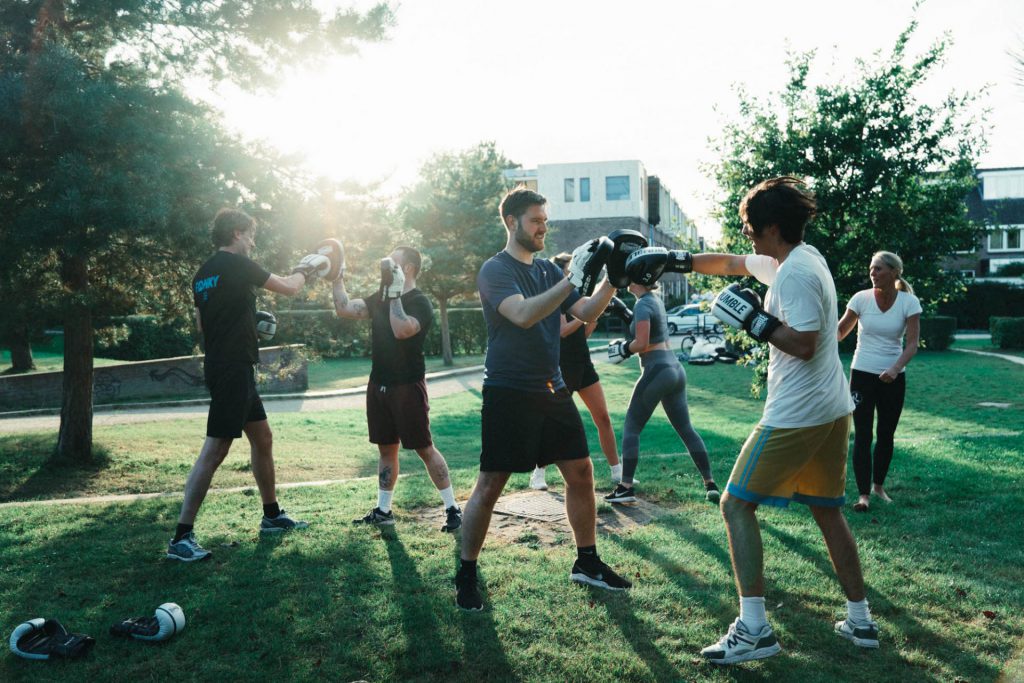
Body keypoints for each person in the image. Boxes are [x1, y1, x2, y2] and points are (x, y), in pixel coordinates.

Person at [672, 177, 878, 663]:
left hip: (798, 413)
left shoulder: (795, 275)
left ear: (771, 228)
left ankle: (755, 630)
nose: (745, 233)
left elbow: (803, 345)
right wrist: (675, 261)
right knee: (827, 510)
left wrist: (754, 322)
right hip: (830, 408)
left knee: (734, 505)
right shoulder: (797, 258)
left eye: (749, 225)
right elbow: (729, 263)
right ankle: (861, 620)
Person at [455, 187, 632, 611]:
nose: (543, 228)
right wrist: (571, 279)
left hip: (552, 388)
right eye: (536, 221)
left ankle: (586, 561)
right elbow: (522, 314)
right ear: (512, 222)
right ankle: (466, 572)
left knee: (581, 472)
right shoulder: (495, 270)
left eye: (545, 221)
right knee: (491, 484)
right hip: (508, 390)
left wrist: (613, 280)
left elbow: (586, 312)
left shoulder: (549, 271)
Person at [168, 208, 324, 562]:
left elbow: (203, 325)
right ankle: (181, 537)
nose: (253, 242)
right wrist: (306, 267)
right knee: (216, 449)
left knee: (263, 438)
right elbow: (289, 287)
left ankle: (271, 516)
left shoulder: (202, 274)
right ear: (237, 233)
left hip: (225, 364)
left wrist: (248, 321)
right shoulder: (237, 264)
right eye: (251, 235)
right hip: (233, 369)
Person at [332, 246, 462, 532]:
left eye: (393, 261)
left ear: (408, 269)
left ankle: (452, 508)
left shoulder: (420, 302)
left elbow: (401, 330)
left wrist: (394, 294)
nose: (386, 264)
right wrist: (336, 277)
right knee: (386, 449)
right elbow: (344, 308)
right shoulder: (380, 296)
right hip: (378, 384)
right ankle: (383, 510)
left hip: (407, 386)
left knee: (424, 448)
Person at [603, 277, 720, 504]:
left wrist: (623, 348)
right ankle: (710, 483)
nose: (626, 278)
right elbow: (648, 330)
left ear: (639, 277)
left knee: (631, 428)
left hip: (657, 370)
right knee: (686, 429)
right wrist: (624, 312)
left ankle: (625, 488)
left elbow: (642, 343)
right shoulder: (653, 299)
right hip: (674, 369)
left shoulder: (642, 304)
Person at [529, 252, 624, 491]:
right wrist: (584, 318)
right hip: (561, 367)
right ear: (560, 272)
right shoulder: (555, 298)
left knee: (603, 417)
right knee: (552, 422)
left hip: (583, 364)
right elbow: (562, 331)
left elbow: (583, 334)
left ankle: (617, 472)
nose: (575, 273)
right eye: (569, 269)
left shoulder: (577, 298)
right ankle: (538, 473)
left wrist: (594, 317)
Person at [837, 251, 921, 512]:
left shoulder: (909, 302)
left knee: (886, 433)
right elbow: (839, 332)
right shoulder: (860, 299)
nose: (872, 273)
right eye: (871, 268)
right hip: (862, 374)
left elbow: (912, 344)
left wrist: (895, 369)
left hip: (893, 377)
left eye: (879, 269)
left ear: (894, 272)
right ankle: (863, 495)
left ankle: (878, 487)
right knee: (863, 434)